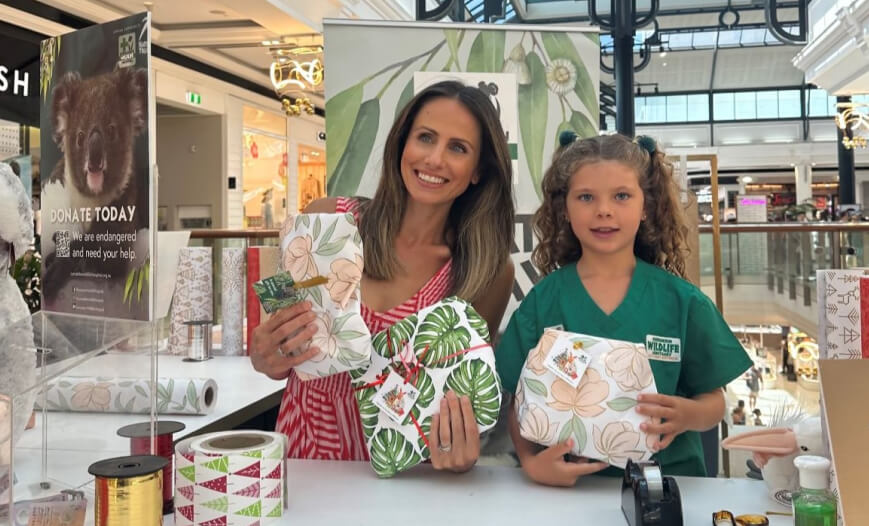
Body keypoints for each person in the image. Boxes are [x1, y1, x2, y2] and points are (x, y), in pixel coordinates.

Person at [250, 80, 515, 472]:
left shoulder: (485, 271)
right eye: (425, 137)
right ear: (402, 144)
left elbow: (463, 399)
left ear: (478, 172)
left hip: (407, 480)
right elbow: (279, 343)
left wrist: (459, 447)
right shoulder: (327, 220)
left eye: (458, 148)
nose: (435, 159)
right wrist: (264, 355)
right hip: (305, 466)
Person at [496, 133, 753, 486]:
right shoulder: (544, 301)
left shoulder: (682, 302)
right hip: (566, 495)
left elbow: (714, 402)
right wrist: (530, 461)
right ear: (565, 208)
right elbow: (518, 398)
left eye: (621, 196)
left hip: (667, 489)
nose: (604, 210)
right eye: (586, 197)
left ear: (645, 205)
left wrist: (689, 415)